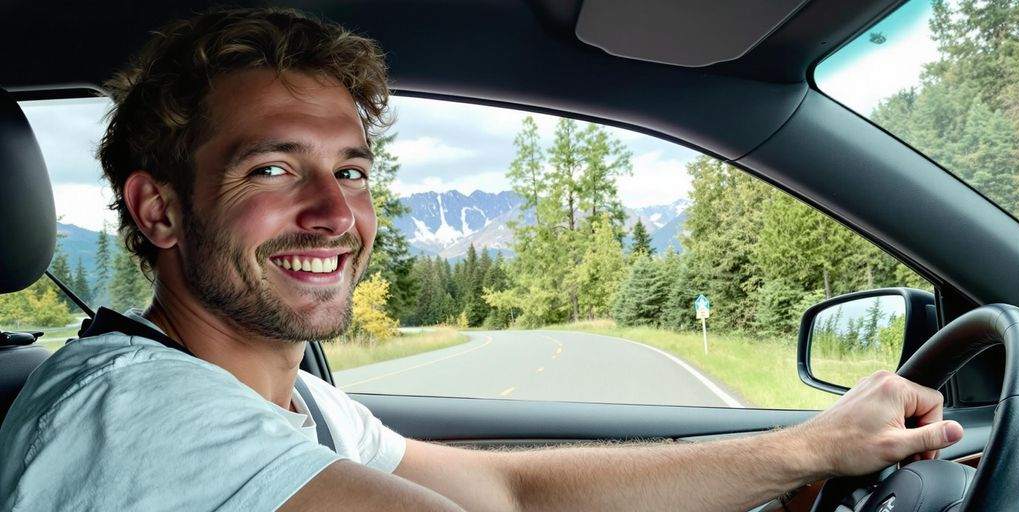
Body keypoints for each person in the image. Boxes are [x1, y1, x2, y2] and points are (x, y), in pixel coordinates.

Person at [0, 7, 963, 511]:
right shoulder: (130, 413)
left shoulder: (294, 406)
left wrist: (808, 450)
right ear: (159, 211)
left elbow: (508, 492)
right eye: (273, 168)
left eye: (354, 169)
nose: (337, 212)